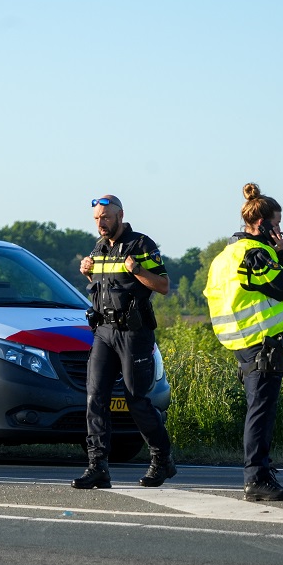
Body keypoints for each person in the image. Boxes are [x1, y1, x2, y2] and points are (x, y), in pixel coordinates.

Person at [203, 183, 283, 501]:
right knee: (261, 412)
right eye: (277, 224)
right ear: (262, 224)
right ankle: (256, 479)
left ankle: (259, 473)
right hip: (261, 344)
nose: (280, 231)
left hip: (244, 343)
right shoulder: (256, 254)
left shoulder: (224, 256)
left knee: (258, 410)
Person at [72, 195, 176, 490]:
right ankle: (97, 467)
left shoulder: (141, 245)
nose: (100, 223)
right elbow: (104, 288)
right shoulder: (99, 248)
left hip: (133, 334)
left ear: (120, 215)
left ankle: (162, 458)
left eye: (105, 217)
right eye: (96, 218)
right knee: (95, 398)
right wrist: (87, 273)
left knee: (136, 401)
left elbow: (163, 286)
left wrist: (138, 270)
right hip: (103, 331)